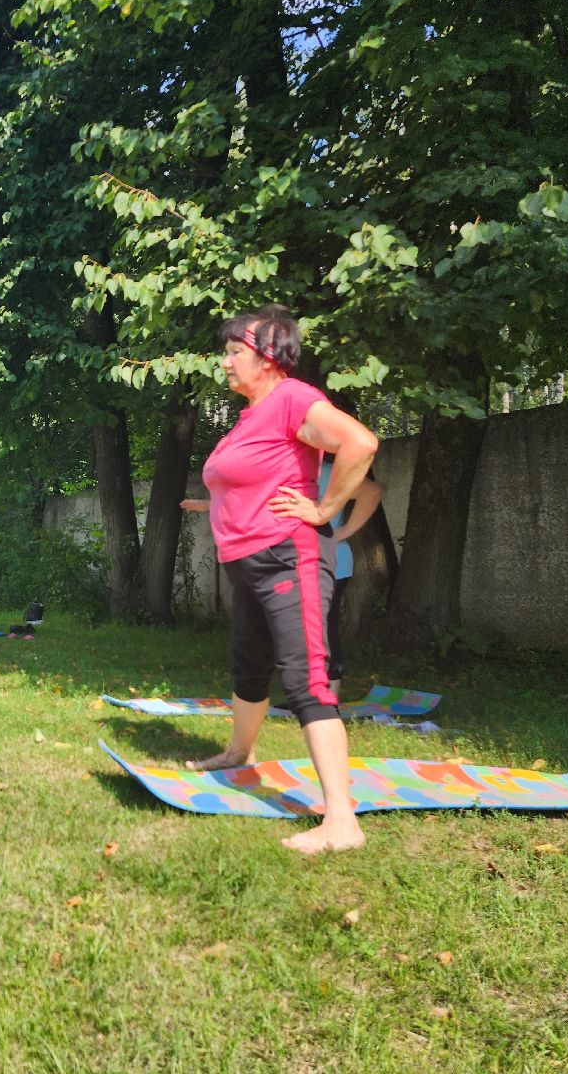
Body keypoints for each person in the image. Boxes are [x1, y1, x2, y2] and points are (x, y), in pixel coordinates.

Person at [179, 304, 378, 854]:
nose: (225, 362)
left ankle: (342, 822)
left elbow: (360, 443)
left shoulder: (292, 398)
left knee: (306, 678)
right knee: (249, 666)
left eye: (233, 352)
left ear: (268, 357)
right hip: (249, 563)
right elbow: (250, 481)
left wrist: (325, 508)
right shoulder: (251, 416)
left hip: (289, 557)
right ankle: (238, 753)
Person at [317, 457, 383, 694]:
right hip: (297, 566)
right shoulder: (277, 473)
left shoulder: (326, 473)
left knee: (322, 630)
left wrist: (343, 532)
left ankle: (328, 698)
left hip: (328, 565)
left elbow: (372, 491)